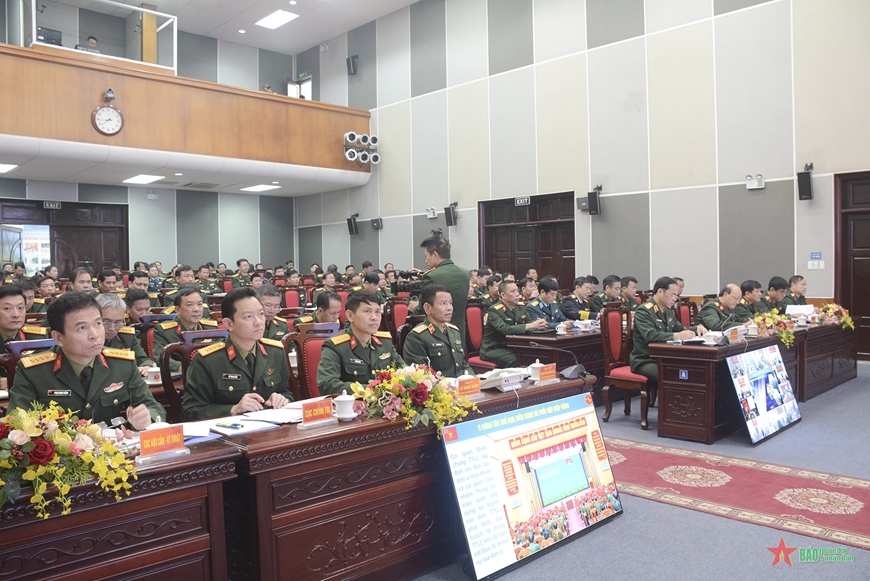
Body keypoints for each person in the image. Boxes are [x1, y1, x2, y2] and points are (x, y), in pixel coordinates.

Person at [9, 292, 164, 429]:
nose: (95, 335)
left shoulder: (122, 364)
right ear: (58, 337)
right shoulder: (33, 372)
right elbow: (16, 424)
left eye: (98, 324)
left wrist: (146, 418)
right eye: (82, 328)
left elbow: (154, 407)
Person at [182, 288, 292, 421]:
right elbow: (191, 411)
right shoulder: (208, 360)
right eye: (248, 317)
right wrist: (233, 409)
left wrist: (281, 399)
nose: (258, 322)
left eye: (261, 314)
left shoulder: (275, 352)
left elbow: (287, 393)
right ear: (229, 324)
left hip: (271, 428)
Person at [316, 291, 405, 394]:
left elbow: (405, 371)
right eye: (367, 311)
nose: (374, 317)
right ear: (350, 315)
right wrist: (372, 390)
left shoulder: (385, 342)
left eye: (377, 312)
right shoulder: (336, 346)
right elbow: (327, 384)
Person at [630, 277, 706, 386]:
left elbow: (679, 328)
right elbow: (651, 335)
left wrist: (696, 328)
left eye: (677, 296)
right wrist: (677, 336)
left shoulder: (667, 310)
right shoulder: (644, 311)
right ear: (660, 292)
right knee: (674, 375)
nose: (675, 299)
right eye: (673, 295)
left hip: (665, 358)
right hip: (646, 360)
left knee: (690, 371)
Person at [402, 285, 472, 378]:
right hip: (439, 386)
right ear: (427, 308)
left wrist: (472, 379)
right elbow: (419, 376)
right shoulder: (417, 337)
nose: (449, 308)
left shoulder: (454, 331)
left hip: (460, 384)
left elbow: (463, 365)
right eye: (443, 303)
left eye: (450, 303)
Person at [412, 235, 471, 346]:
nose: (426, 261)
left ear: (435, 254)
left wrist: (414, 308)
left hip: (437, 333)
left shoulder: (431, 276)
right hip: (459, 332)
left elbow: (423, 309)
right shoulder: (465, 273)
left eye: (426, 256)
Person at [480, 280, 547, 368]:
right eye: (513, 291)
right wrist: (531, 326)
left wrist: (538, 325)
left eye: (517, 291)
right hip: (495, 349)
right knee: (518, 361)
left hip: (514, 347)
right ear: (503, 295)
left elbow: (530, 323)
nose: (517, 294)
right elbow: (505, 329)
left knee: (538, 355)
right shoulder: (494, 310)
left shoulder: (521, 307)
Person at [152, 285, 220, 371]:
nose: (196, 309)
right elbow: (161, 358)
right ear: (177, 310)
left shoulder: (211, 328)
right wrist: (187, 368)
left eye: (199, 304)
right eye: (189, 305)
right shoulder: (164, 331)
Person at [96, 293, 154, 375]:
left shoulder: (127, 337)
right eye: (106, 322)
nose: (112, 328)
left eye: (118, 322)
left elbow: (144, 359)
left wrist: (146, 366)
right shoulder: (87, 339)